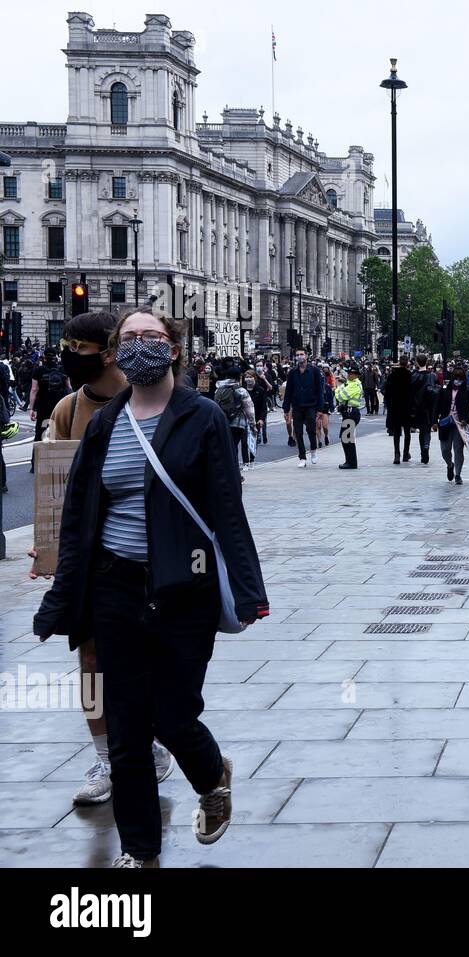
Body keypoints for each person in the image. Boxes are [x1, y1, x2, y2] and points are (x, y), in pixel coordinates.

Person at [33, 307, 269, 868]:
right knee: (128, 730)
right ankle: (141, 853)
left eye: (152, 336)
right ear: (115, 352)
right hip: (115, 587)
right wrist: (62, 592)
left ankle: (212, 774)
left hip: (184, 586)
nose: (141, 345)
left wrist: (248, 585)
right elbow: (79, 518)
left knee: (173, 715)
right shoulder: (105, 424)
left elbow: (226, 509)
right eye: (130, 338)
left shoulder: (203, 416)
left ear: (174, 348)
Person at [28, 311, 175, 807]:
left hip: (150, 557)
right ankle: (104, 753)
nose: (67, 356)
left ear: (108, 352)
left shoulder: (160, 403)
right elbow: (58, 491)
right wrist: (48, 548)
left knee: (145, 661)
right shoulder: (69, 408)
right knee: (89, 660)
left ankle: (149, 740)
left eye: (77, 348)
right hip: (94, 561)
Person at [282, 349, 324, 468]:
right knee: (298, 432)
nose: (299, 356)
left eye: (301, 354)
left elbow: (320, 391)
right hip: (297, 406)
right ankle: (302, 457)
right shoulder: (292, 372)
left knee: (311, 430)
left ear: (306, 356)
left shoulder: (314, 370)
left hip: (310, 405)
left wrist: (320, 409)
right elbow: (288, 391)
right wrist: (286, 409)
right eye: (297, 355)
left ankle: (313, 450)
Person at [213, 360, 255, 476]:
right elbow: (249, 409)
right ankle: (235, 473)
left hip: (223, 422)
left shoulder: (219, 389)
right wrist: (253, 424)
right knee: (233, 447)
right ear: (238, 377)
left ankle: (228, 471)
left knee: (227, 447)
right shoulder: (241, 390)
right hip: (238, 423)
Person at [434, 363, 469, 484]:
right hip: (446, 422)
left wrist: (467, 419)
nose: (458, 381)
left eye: (460, 378)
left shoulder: (468, 390)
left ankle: (458, 474)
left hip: (460, 424)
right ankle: (449, 464)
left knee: (458, 449)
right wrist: (434, 421)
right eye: (456, 378)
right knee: (445, 449)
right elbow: (437, 406)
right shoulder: (444, 389)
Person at [409, 355, 438, 465]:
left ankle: (423, 451)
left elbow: (410, 393)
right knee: (426, 430)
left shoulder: (414, 376)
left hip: (417, 406)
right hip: (430, 407)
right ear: (426, 362)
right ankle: (426, 446)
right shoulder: (433, 376)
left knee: (421, 429)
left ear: (417, 363)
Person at [385, 355, 414, 465]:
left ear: (399, 362)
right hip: (406, 407)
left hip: (395, 407)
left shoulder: (392, 376)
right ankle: (406, 454)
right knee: (407, 432)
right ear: (407, 363)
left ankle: (396, 454)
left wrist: (389, 405)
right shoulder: (409, 375)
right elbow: (412, 392)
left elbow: (387, 393)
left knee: (397, 432)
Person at [335, 363, 364, 470]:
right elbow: (339, 391)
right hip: (348, 413)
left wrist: (339, 390)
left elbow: (340, 396)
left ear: (357, 375)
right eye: (350, 373)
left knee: (347, 438)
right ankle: (349, 461)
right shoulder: (349, 383)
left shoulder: (355, 385)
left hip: (351, 412)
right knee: (346, 438)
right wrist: (339, 389)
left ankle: (351, 462)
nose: (350, 375)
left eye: (353, 373)